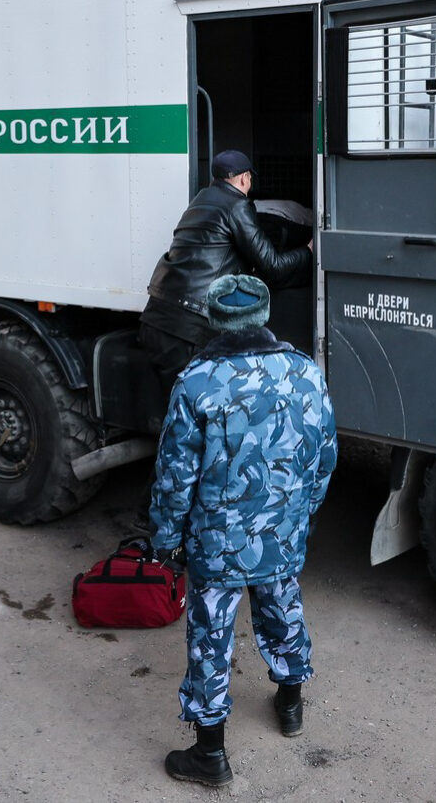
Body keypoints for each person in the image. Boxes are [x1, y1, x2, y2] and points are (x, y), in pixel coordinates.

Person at [150, 274, 337, 788]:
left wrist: (166, 539)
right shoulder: (304, 372)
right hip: (281, 531)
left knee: (211, 635)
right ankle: (291, 705)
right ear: (263, 315)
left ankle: (210, 755)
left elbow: (175, 476)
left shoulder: (197, 382)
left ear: (215, 319)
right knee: (282, 607)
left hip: (216, 541)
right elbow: (324, 456)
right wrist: (302, 514)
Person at [139, 149, 312, 397]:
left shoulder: (199, 202)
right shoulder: (237, 206)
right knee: (202, 412)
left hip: (156, 318)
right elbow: (272, 266)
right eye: (250, 178)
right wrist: (307, 251)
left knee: (178, 411)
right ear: (243, 178)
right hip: (189, 329)